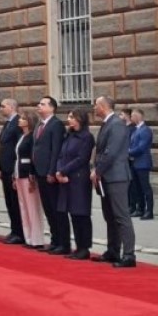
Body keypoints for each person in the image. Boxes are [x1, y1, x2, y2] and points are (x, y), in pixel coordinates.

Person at [91, 96, 137, 268]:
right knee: (109, 216)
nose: (94, 108)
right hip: (106, 176)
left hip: (116, 176)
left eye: (96, 105)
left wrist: (98, 171)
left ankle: (129, 254)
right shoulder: (107, 123)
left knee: (121, 216)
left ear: (103, 106)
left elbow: (111, 152)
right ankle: (113, 250)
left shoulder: (116, 124)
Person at [55, 109, 95, 260]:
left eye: (72, 117)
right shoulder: (69, 135)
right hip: (65, 177)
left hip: (79, 178)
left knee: (81, 213)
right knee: (70, 212)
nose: (69, 119)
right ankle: (76, 245)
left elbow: (81, 158)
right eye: (69, 116)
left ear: (80, 119)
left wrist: (63, 171)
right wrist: (59, 171)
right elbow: (61, 155)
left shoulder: (86, 137)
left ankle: (84, 247)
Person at [33, 96, 70, 254]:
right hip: (39, 172)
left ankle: (63, 242)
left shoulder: (56, 125)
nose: (39, 106)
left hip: (49, 173)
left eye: (43, 104)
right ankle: (55, 240)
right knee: (48, 208)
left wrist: (52, 171)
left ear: (52, 108)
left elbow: (56, 150)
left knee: (56, 209)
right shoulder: (39, 124)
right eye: (39, 103)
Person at [13, 112, 45, 249]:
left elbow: (33, 156)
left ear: (29, 121)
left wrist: (32, 173)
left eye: (23, 118)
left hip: (27, 174)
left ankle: (37, 238)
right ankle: (29, 237)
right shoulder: (22, 136)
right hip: (19, 172)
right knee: (24, 206)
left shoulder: (32, 137)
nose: (20, 120)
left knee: (32, 207)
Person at [0, 99, 24, 244]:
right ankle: (14, 229)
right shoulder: (7, 123)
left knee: (15, 202)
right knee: (9, 201)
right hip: (5, 168)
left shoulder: (18, 123)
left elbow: (17, 148)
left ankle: (19, 232)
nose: (1, 109)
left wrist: (15, 170)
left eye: (3, 106)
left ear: (12, 107)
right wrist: (1, 168)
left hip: (13, 168)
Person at [129, 109, 153, 220]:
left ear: (138, 116)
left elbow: (141, 147)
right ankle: (140, 209)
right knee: (137, 188)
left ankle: (149, 211)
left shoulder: (145, 130)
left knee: (145, 188)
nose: (131, 118)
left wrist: (128, 152)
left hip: (143, 163)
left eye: (132, 116)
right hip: (135, 163)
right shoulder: (136, 130)